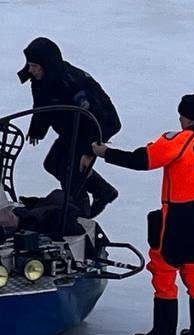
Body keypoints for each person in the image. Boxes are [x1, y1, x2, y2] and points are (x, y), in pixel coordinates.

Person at [89, 93, 194, 335]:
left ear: (183, 116)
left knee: (164, 269)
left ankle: (164, 333)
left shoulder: (178, 141)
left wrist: (104, 152)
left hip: (176, 218)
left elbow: (142, 160)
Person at [18, 37, 121, 217]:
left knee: (71, 172)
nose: (31, 70)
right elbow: (42, 107)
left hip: (93, 130)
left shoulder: (72, 84)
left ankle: (79, 214)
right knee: (52, 163)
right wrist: (37, 130)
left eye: (35, 66)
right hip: (72, 129)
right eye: (30, 65)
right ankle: (103, 191)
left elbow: (99, 119)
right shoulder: (42, 79)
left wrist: (90, 152)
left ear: (47, 64)